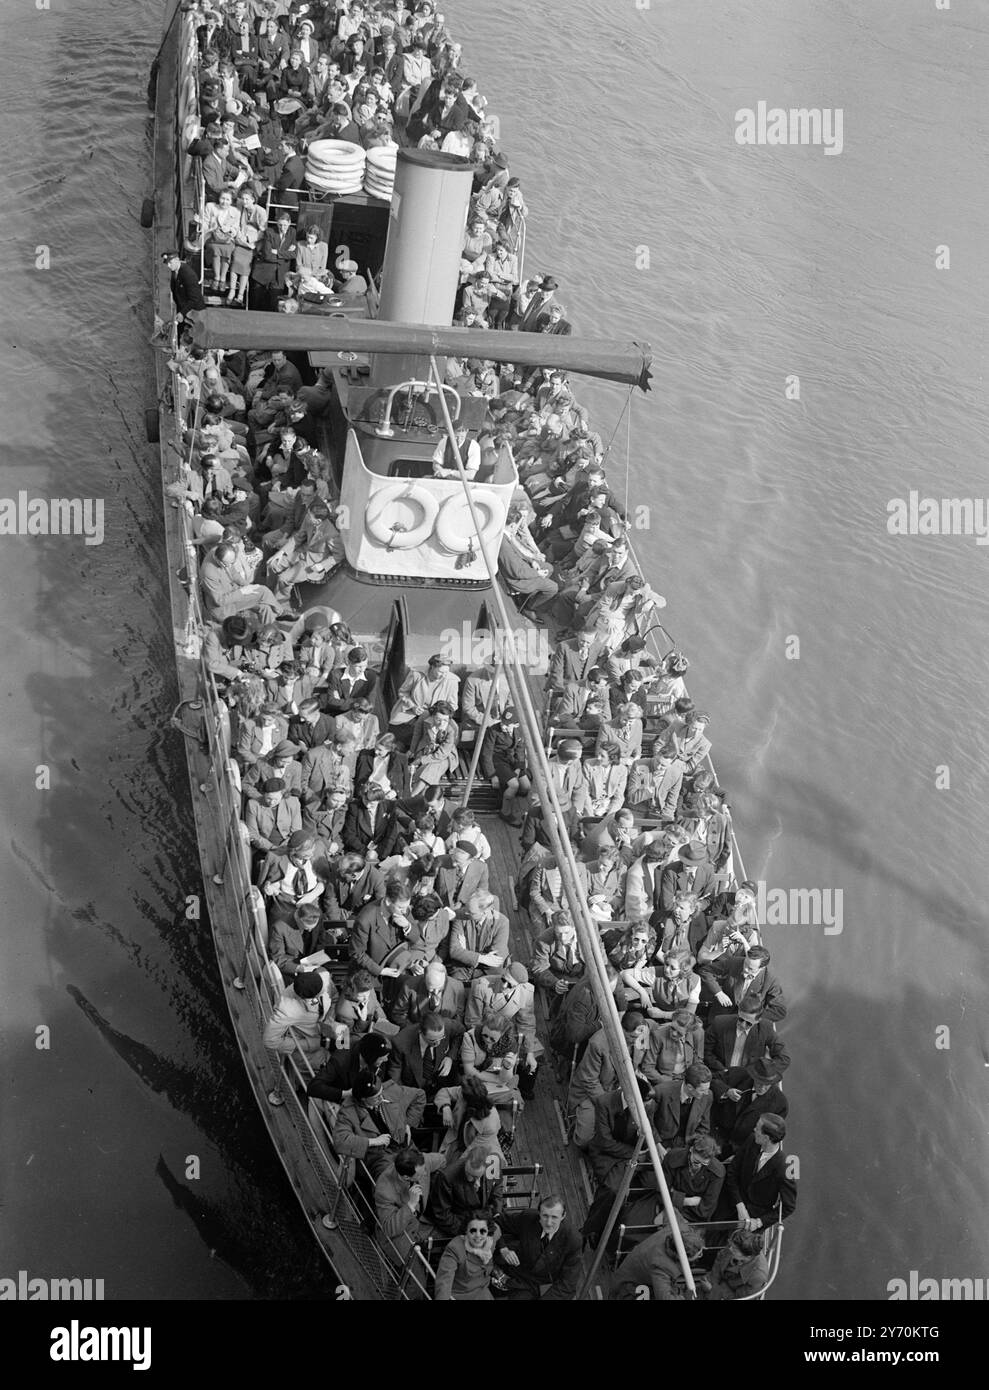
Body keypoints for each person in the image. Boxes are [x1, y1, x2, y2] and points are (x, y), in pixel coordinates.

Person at [332, 1075, 427, 1180]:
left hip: (406, 1147)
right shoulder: (348, 1111)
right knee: (392, 1181)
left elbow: (419, 1095)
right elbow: (340, 1141)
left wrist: (408, 1123)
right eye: (377, 1097)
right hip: (380, 1157)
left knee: (425, 1173)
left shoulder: (390, 1090)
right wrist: (373, 1141)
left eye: (381, 1093)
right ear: (363, 1099)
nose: (382, 1098)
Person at [494, 1196, 581, 1301]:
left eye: (554, 1217)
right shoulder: (528, 1218)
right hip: (514, 1271)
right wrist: (503, 1248)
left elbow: (568, 1284)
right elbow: (496, 1222)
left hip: (537, 1286)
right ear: (539, 1213)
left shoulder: (572, 1240)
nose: (548, 1223)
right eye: (545, 1216)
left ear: (563, 1216)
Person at [373, 1145, 446, 1265]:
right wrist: (410, 1205)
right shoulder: (384, 1190)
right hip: (402, 1236)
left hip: (423, 1223)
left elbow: (443, 1160)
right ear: (406, 1177)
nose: (425, 1173)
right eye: (421, 1174)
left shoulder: (422, 1162)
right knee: (417, 1281)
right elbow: (389, 1228)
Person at [724, 1114, 797, 1230]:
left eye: (757, 1128)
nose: (754, 1129)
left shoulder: (786, 1166)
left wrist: (759, 1222)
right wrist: (739, 1205)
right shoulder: (751, 1140)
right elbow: (733, 1170)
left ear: (766, 1138)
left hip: (755, 1218)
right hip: (732, 1199)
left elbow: (789, 1206)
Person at [609, 1221, 705, 1301]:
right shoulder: (661, 1267)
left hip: (634, 1269)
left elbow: (673, 1211)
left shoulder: (678, 1228)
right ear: (682, 1257)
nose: (701, 1255)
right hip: (628, 1288)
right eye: (699, 1254)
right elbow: (664, 1298)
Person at [428, 1145, 504, 1238]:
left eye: (477, 1177)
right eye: (468, 1173)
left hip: (488, 1217)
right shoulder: (447, 1177)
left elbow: (497, 1187)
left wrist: (496, 1212)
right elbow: (442, 1215)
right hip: (463, 1224)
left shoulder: (493, 1162)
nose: (470, 1179)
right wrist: (469, 1230)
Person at [262, 968, 340, 1058]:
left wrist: (329, 1019)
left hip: (329, 1028)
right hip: (310, 1050)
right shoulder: (286, 1009)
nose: (324, 990)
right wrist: (312, 1044)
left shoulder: (323, 976)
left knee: (345, 1047)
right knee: (332, 1062)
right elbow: (269, 1041)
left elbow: (334, 997)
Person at [724, 1057, 789, 1156]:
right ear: (753, 1077)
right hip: (718, 1136)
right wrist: (726, 1091)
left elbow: (769, 1137)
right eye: (759, 1083)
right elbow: (714, 1080)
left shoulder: (780, 1104)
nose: (762, 1088)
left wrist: (742, 1155)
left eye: (767, 1084)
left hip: (743, 1150)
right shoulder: (741, 1074)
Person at [306, 1031, 391, 1106]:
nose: (386, 1060)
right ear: (371, 1057)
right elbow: (313, 1087)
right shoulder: (340, 1061)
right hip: (337, 1098)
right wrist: (345, 1094)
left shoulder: (377, 1058)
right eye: (382, 1058)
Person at [388, 1013, 460, 1099]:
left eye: (441, 1037)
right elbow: (395, 1076)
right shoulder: (400, 1043)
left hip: (440, 1083)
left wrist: (450, 1057)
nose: (438, 1043)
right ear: (420, 1032)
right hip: (413, 1089)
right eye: (432, 1040)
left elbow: (460, 1032)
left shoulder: (447, 1025)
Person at [434, 1210, 501, 1301]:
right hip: (461, 1295)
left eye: (482, 1231)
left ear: (488, 1231)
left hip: (482, 1291)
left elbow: (498, 1229)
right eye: (473, 1231)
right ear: (466, 1231)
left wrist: (504, 1248)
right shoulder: (455, 1248)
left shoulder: (490, 1241)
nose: (478, 1235)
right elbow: (444, 1282)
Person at [663, 1133, 725, 1223]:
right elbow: (662, 1193)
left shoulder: (717, 1171)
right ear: (691, 1149)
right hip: (669, 1210)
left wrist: (675, 1196)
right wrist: (688, 1201)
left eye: (704, 1164)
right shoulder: (673, 1157)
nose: (699, 1166)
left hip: (696, 1218)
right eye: (696, 1162)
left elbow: (707, 1206)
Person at [390, 958, 465, 1028]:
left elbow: (459, 1017)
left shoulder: (457, 987)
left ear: (445, 978)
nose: (435, 992)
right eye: (432, 989)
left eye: (439, 988)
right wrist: (417, 1031)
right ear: (424, 979)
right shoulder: (410, 986)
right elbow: (398, 1014)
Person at [334, 965, 400, 1038]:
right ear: (352, 993)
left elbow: (376, 1005)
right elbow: (350, 1036)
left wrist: (384, 1020)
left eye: (367, 994)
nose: (366, 998)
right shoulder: (343, 1012)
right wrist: (362, 1020)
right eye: (361, 996)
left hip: (375, 1025)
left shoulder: (367, 987)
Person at [705, 1228, 769, 1300]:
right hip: (717, 1283)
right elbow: (720, 1258)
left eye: (734, 1249)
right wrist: (713, 1281)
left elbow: (738, 1297)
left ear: (748, 1256)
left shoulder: (757, 1277)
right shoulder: (737, 1244)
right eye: (730, 1246)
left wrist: (713, 1290)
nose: (730, 1249)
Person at [161, 250, 205, 320]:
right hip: (184, 309)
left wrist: (182, 313)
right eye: (167, 264)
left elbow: (194, 299)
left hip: (195, 312)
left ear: (177, 260)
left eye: (170, 263)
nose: (168, 266)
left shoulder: (188, 274)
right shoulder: (174, 271)